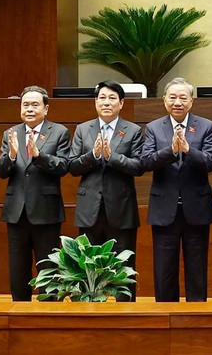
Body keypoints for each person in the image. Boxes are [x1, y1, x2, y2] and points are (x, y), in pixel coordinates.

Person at [142, 77, 212, 302]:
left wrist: (188, 150)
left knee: (197, 270)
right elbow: (146, 162)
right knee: (164, 272)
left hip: (197, 208)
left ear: (191, 101)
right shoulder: (154, 127)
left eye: (183, 97)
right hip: (164, 209)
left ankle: (196, 319)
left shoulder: (206, 126)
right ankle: (165, 315)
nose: (177, 102)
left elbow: (211, 162)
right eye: (172, 97)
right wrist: (171, 151)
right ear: (164, 100)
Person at [68, 80, 144, 301]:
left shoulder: (133, 130)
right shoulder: (83, 129)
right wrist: (93, 155)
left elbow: (138, 167)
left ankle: (126, 315)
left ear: (121, 103)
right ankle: (88, 312)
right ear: (95, 102)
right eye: (102, 97)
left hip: (121, 209)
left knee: (124, 270)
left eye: (112, 98)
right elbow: (72, 166)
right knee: (87, 270)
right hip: (88, 210)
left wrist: (112, 156)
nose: (106, 102)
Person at [0, 85, 70, 301]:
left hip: (46, 210)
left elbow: (63, 166)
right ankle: (19, 308)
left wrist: (39, 156)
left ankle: (47, 312)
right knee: (18, 266)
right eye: (25, 104)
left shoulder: (59, 132)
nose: (29, 109)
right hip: (16, 211)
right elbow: (1, 171)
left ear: (46, 109)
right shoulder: (11, 133)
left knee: (48, 267)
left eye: (35, 104)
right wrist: (10, 155)